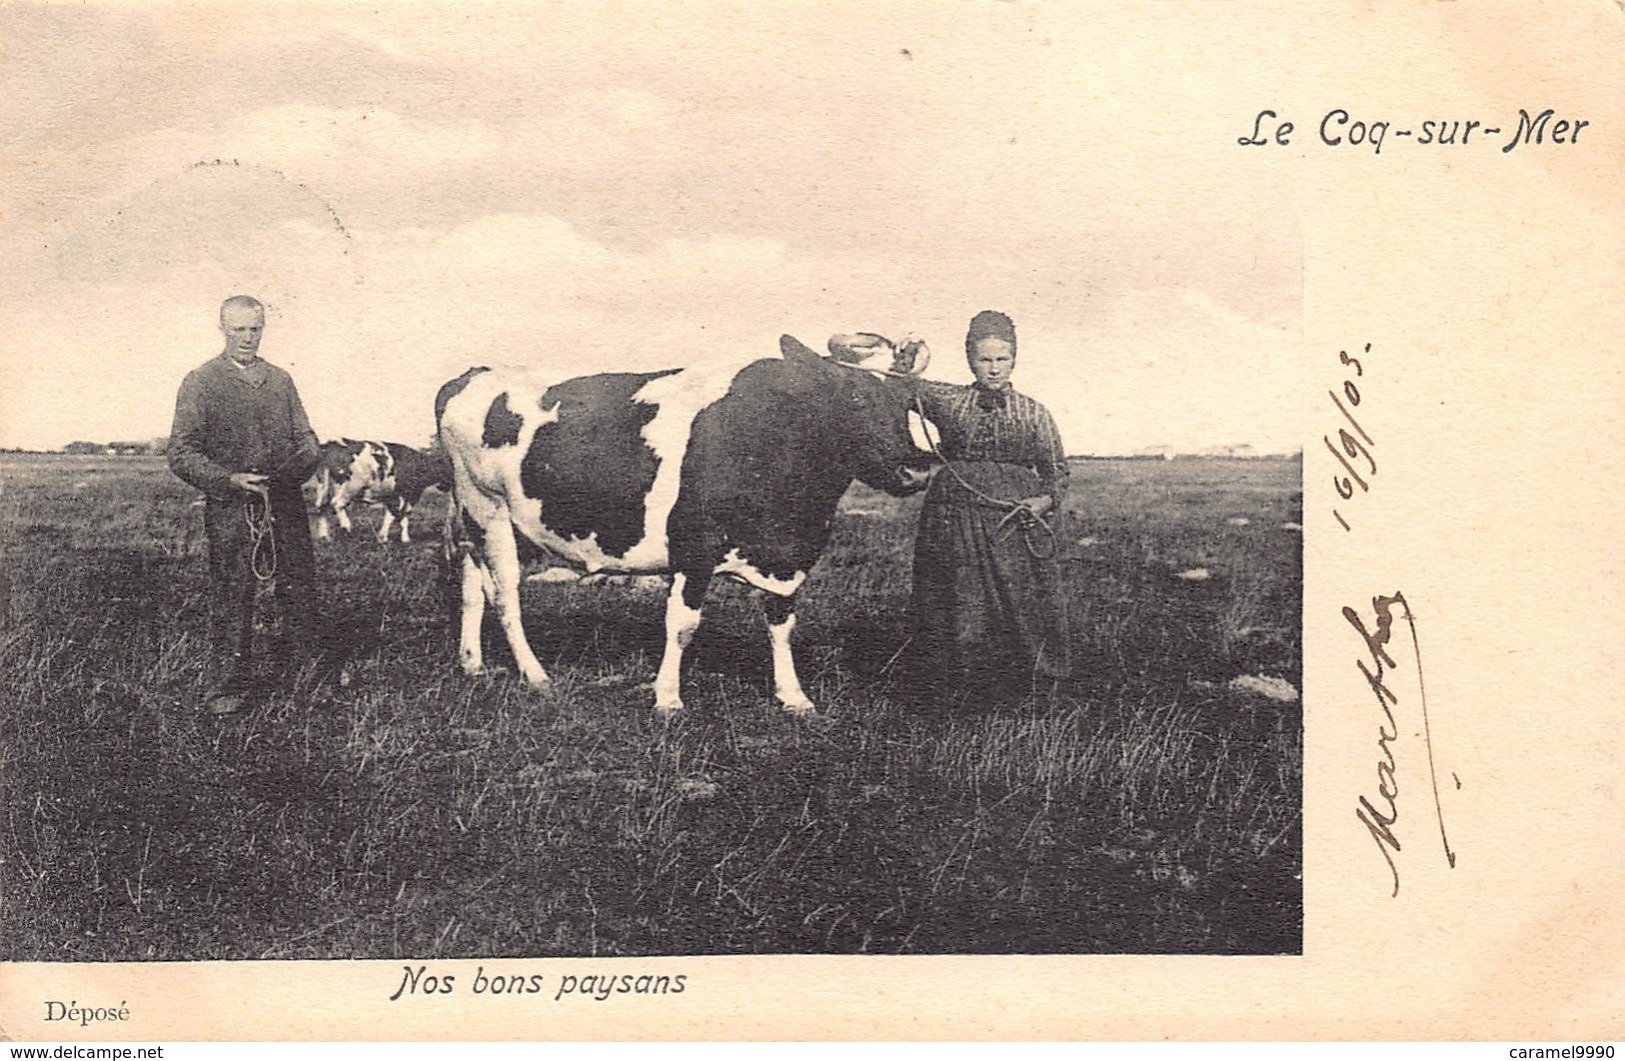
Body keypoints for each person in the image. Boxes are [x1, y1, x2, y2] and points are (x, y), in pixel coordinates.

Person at [906, 309, 1072, 707]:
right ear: (970, 359)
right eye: (985, 359)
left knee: (1022, 601)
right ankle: (952, 693)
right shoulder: (948, 400)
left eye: (1003, 359)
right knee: (953, 601)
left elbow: (1057, 472)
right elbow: (901, 388)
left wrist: (1041, 501)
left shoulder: (1034, 413)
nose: (994, 369)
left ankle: (1033, 691)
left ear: (1014, 359)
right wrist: (907, 357)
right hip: (953, 517)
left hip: (1013, 521)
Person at [168, 295, 323, 715]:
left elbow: (307, 438)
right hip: (232, 506)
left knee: (300, 586)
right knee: (234, 592)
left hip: (284, 500)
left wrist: (300, 465)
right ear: (222, 329)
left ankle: (307, 674)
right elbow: (181, 452)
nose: (248, 338)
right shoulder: (201, 381)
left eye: (255, 328)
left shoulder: (280, 380)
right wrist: (229, 480)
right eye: (239, 329)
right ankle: (226, 686)